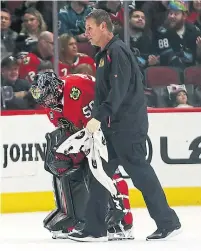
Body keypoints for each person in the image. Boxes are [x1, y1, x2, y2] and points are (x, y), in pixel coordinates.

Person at [67, 9, 181, 242]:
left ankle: (168, 222)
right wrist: (101, 119)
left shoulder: (117, 52)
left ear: (103, 27)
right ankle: (95, 229)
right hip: (113, 127)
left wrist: (99, 117)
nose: (85, 33)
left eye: (89, 27)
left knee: (140, 174)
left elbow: (118, 91)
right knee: (99, 175)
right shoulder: (104, 54)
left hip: (127, 126)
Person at [30, 63, 133, 240]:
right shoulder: (52, 105)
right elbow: (70, 130)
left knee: (106, 170)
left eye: (46, 97)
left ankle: (123, 222)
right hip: (90, 131)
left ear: (55, 89)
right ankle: (75, 217)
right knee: (60, 163)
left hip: (112, 125)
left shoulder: (77, 89)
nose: (45, 102)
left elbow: (99, 118)